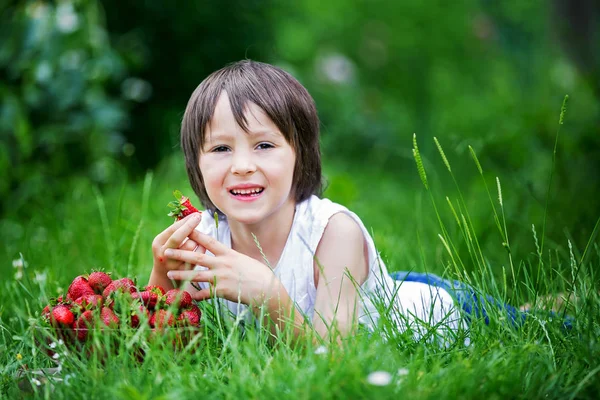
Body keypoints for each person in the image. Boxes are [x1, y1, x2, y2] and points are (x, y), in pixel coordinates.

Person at [148, 60, 466, 344]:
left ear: (301, 156)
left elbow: (334, 357)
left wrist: (269, 295)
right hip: (358, 285)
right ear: (195, 163)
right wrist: (163, 278)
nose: (242, 165)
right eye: (220, 149)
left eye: (263, 145)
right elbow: (165, 346)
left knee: (515, 320)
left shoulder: (335, 234)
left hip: (439, 307)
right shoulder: (201, 241)